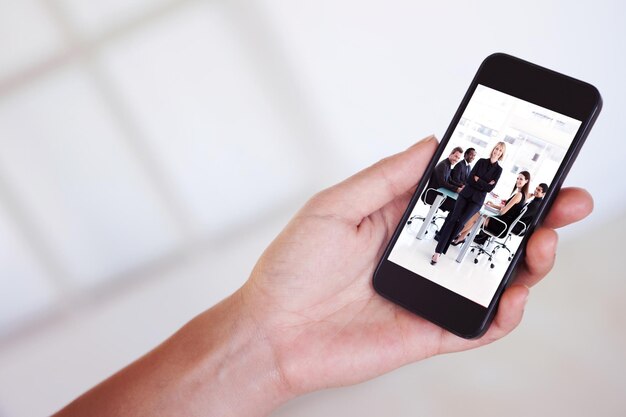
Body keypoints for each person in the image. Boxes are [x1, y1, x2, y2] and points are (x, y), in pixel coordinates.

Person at [52, 136, 593, 417]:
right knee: (448, 221)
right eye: (493, 152)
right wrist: (270, 340)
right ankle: (437, 246)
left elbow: (485, 184)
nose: (496, 156)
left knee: (470, 223)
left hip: (477, 200)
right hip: (465, 197)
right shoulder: (479, 166)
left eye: (499, 154)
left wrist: (269, 343)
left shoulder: (492, 172)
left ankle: (448, 244)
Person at [431, 142, 506, 265]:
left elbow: (489, 189)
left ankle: (442, 248)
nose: (497, 151)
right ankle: (438, 252)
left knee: (461, 223)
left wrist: (479, 180)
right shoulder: (481, 161)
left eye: (500, 150)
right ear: (493, 149)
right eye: (496, 148)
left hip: (477, 200)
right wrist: (484, 182)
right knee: (453, 220)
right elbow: (471, 178)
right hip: (465, 194)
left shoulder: (499, 170)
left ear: (502, 153)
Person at [470, 171, 531, 245]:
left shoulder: (519, 195)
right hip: (503, 224)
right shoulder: (523, 196)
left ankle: (460, 236)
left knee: (476, 215)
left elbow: (502, 212)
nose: (518, 181)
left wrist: (493, 210)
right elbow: (508, 209)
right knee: (478, 214)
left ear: (526, 181)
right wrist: (493, 206)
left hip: (500, 225)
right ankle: (462, 237)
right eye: (517, 178)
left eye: (521, 179)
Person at [423, 146, 464, 212]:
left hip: (439, 193)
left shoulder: (448, 165)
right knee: (456, 205)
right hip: (433, 194)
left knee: (457, 204)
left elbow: (449, 180)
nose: (456, 160)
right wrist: (456, 189)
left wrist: (460, 186)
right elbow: (442, 183)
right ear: (450, 154)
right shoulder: (443, 165)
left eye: (458, 158)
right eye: (456, 156)